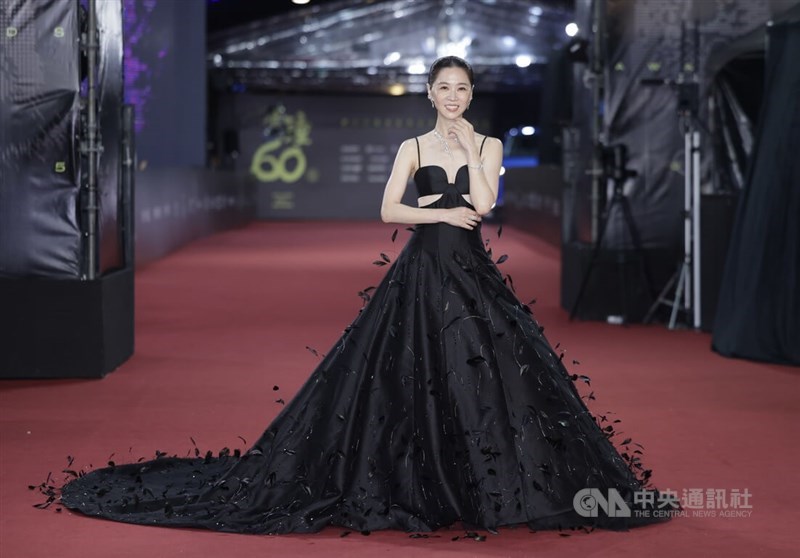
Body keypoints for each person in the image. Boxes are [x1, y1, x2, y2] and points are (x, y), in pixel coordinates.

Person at [57, 56, 671, 534]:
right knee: (408, 370)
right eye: (444, 88)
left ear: (470, 95)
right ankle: (418, 477)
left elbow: (484, 204)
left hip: (472, 272)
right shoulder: (412, 148)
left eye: (462, 89)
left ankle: (482, 480)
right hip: (421, 271)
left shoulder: (488, 146)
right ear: (429, 92)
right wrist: (436, 207)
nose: (453, 96)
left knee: (482, 369)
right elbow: (388, 210)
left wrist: (467, 152)